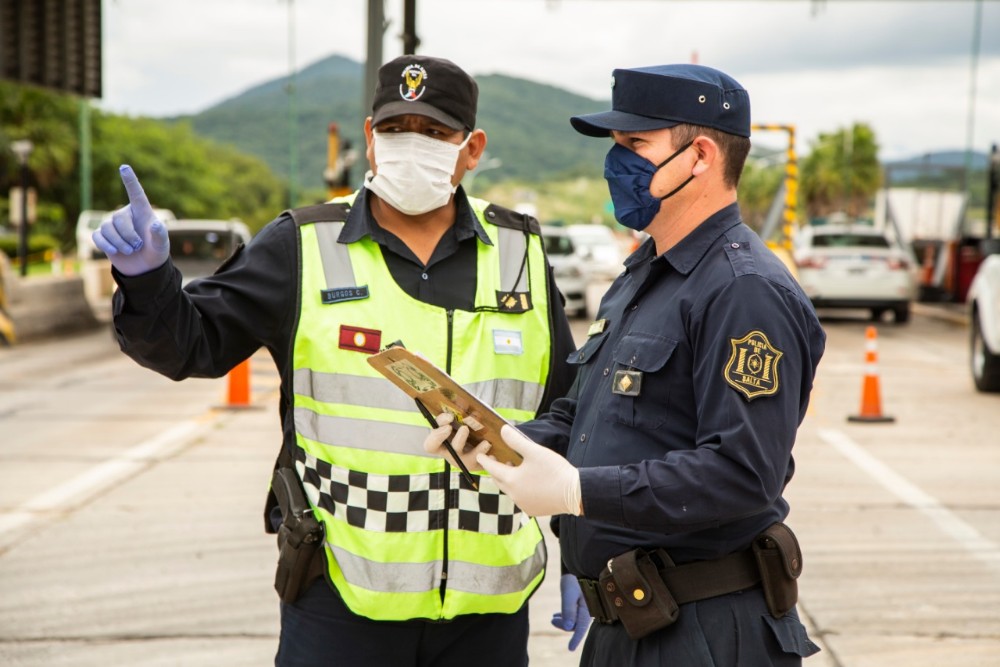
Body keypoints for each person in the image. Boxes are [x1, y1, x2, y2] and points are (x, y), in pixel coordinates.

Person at [92, 54, 578, 667]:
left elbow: (572, 412)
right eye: (396, 130)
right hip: (339, 602)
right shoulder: (301, 244)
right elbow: (193, 343)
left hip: (489, 612)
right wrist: (148, 282)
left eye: (434, 133)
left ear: (472, 147)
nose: (411, 145)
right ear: (371, 140)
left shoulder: (520, 251)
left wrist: (584, 547)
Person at [425, 63, 827, 665]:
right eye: (615, 146)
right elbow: (586, 415)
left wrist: (577, 492)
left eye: (636, 145)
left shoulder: (743, 291)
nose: (617, 164)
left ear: (700, 156)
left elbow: (743, 473)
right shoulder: (643, 276)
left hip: (706, 630)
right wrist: (501, 442)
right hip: (632, 623)